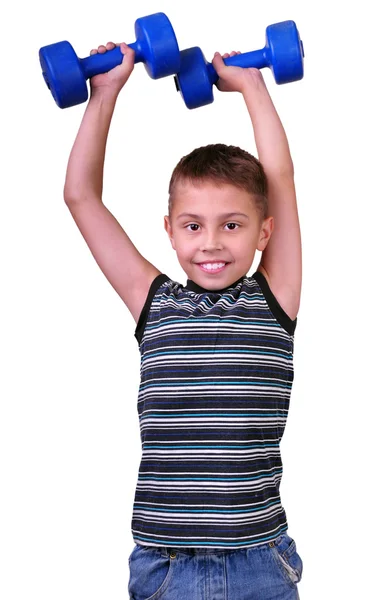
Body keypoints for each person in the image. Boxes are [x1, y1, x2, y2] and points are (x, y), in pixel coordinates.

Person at [64, 40, 303, 600]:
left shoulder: (274, 299)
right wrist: (103, 94)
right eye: (193, 226)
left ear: (263, 232)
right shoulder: (154, 302)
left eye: (233, 224)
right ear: (169, 230)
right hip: (162, 563)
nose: (212, 242)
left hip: (258, 562)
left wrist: (253, 87)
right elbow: (80, 197)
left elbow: (281, 180)